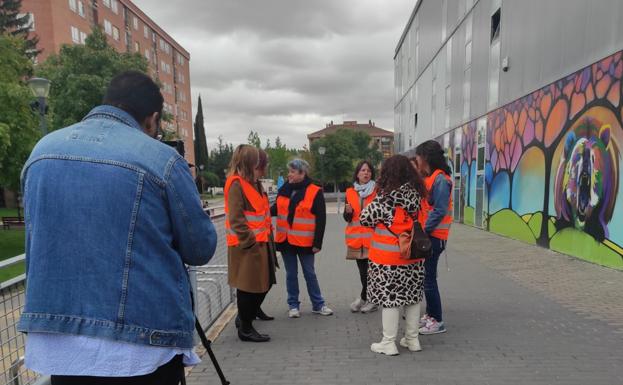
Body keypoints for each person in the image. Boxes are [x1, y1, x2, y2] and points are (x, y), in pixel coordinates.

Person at [18, 71, 218, 384]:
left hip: (61, 344)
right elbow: (200, 248)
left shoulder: (42, 151)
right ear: (152, 119)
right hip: (141, 346)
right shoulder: (160, 159)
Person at [360, 155, 427, 356]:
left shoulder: (384, 199)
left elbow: (364, 219)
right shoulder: (418, 196)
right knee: (412, 298)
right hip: (413, 257)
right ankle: (412, 340)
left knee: (391, 299)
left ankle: (388, 343)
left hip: (387, 260)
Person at [225, 145, 276, 342]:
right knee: (249, 288)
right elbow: (237, 218)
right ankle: (245, 327)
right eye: (256, 162)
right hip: (247, 247)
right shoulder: (236, 184)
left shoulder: (253, 183)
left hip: (260, 243)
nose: (259, 167)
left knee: (261, 285)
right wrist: (250, 242)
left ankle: (245, 320)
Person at [271, 159, 333, 318]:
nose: (289, 174)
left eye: (292, 171)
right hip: (285, 240)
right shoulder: (284, 189)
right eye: (289, 171)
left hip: (305, 241)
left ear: (302, 173)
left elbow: (321, 219)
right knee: (291, 274)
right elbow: (275, 209)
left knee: (309, 273)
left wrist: (317, 243)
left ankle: (318, 304)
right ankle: (293, 305)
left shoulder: (314, 191)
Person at [412, 140, 453, 335]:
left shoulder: (440, 180)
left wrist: (423, 230)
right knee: (427, 277)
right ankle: (430, 315)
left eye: (418, 157)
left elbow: (439, 210)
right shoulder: (433, 178)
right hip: (431, 235)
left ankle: (437, 320)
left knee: (428, 279)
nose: (417, 161)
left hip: (434, 237)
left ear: (425, 157)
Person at [343, 160, 378, 313]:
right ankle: (366, 298)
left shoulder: (378, 191)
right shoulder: (350, 192)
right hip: (356, 239)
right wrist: (348, 213)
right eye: (363, 170)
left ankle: (368, 299)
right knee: (363, 273)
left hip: (373, 240)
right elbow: (347, 218)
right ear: (357, 173)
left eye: (369, 171)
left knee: (372, 273)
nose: (366, 173)